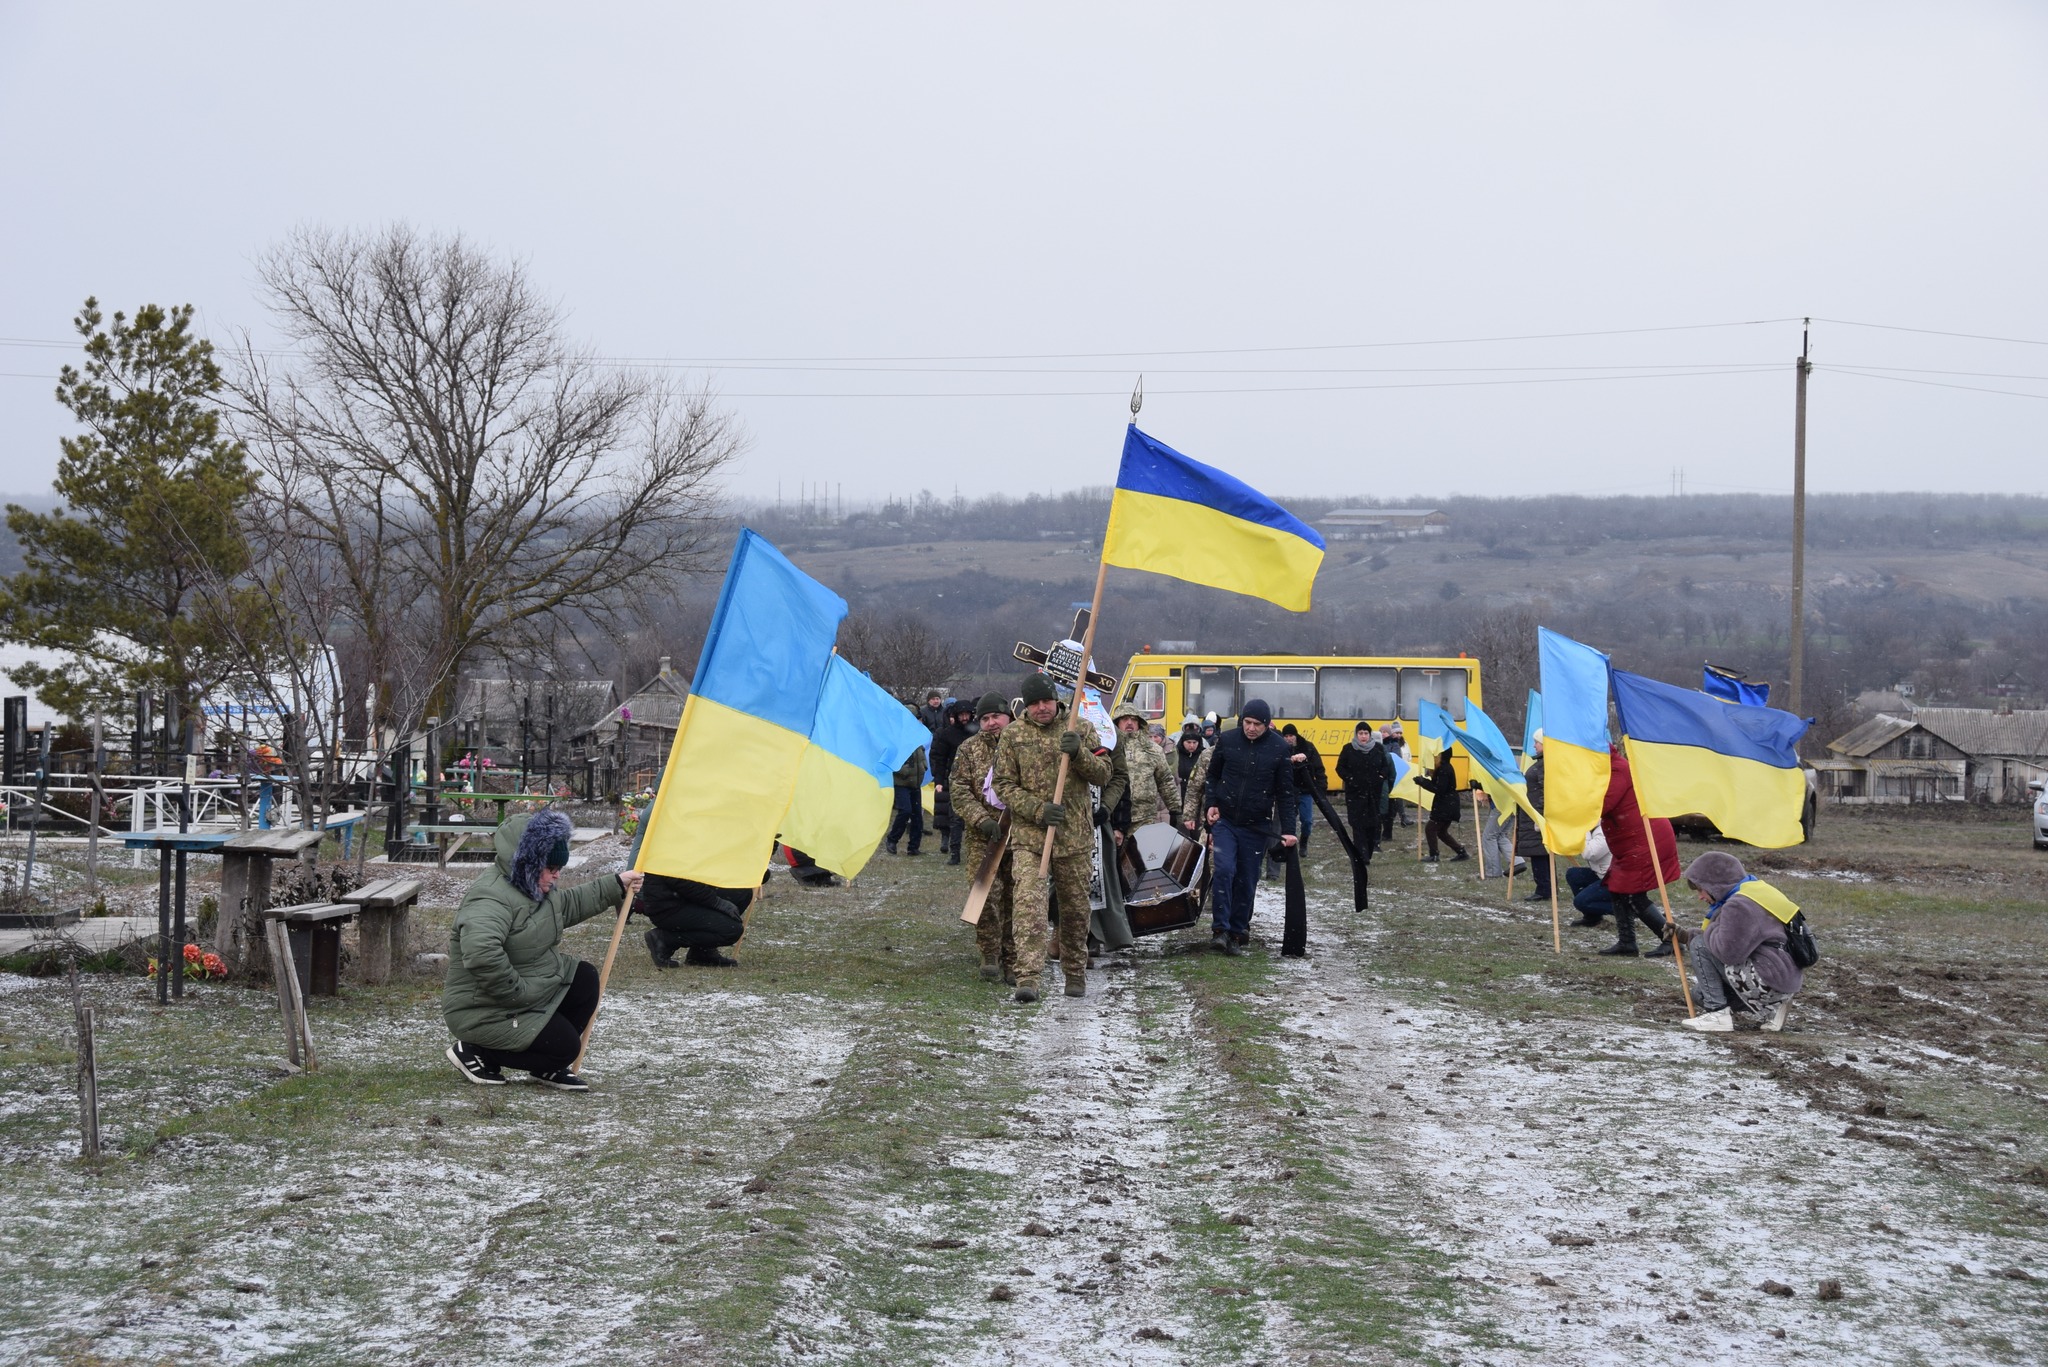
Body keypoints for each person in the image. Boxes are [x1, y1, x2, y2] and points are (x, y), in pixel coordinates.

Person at [443, 811, 642, 1091]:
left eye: (559, 867)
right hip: (484, 1008)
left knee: (583, 977)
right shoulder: (490, 896)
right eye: (551, 867)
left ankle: (544, 1065)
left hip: (524, 992)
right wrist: (518, 994)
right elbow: (481, 953)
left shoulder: (532, 886)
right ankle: (476, 1051)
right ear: (528, 862)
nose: (557, 874)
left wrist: (616, 884)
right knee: (564, 1047)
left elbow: (567, 905)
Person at [993, 673, 1112, 1001]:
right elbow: (1003, 783)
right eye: (1034, 703)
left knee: (1074, 909)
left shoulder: (1081, 728)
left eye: (1046, 701)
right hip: (1031, 839)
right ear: (1026, 705)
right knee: (1028, 906)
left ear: (1056, 700)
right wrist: (1037, 809)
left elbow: (1104, 774)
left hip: (1074, 838)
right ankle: (1028, 977)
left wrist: (1080, 754)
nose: (1041, 708)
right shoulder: (1013, 735)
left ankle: (1074, 971)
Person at [1199, 698, 1296, 956]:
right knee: (1224, 870)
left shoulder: (1278, 748)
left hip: (1257, 826)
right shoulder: (1228, 740)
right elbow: (1213, 776)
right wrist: (1212, 803)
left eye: (1257, 724)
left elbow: (1285, 793)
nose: (1251, 728)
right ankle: (1220, 929)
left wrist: (1289, 830)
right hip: (1226, 821)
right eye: (1247, 722)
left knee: (1247, 879)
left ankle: (1237, 931)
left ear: (1266, 725)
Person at [1672, 850, 1803, 1033]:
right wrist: (1686, 936)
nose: (1700, 896)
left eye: (1701, 889)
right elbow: (1732, 938)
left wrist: (1696, 937)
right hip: (1781, 977)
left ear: (1715, 884)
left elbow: (1728, 953)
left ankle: (1718, 1015)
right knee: (1699, 994)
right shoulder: (1754, 891)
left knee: (1699, 945)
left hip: (1769, 977)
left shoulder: (1738, 905)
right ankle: (1773, 1009)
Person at [949, 692, 1019, 982]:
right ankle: (989, 952)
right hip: (983, 836)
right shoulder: (969, 749)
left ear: (1008, 717)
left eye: (996, 717)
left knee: (1016, 897)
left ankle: (1013, 957)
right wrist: (982, 820)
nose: (991, 723)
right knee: (985, 895)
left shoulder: (1022, 744)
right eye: (985, 718)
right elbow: (959, 790)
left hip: (1019, 835)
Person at [1597, 748, 1677, 957]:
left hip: (1647, 838)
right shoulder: (1604, 768)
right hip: (1631, 841)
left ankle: (1671, 941)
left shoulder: (1618, 769)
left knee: (1634, 894)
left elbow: (1602, 805)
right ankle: (1627, 943)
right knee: (1617, 889)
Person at [1102, 702, 1180, 835]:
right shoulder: (1107, 747)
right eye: (1125, 719)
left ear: (1139, 723)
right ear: (1116, 722)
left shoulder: (1153, 750)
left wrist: (1175, 810)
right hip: (1113, 818)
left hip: (1144, 818)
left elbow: (1165, 781)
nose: (1129, 723)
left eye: (1134, 719)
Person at [1334, 721, 1394, 864]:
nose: (1363, 736)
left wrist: (1380, 777)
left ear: (1370, 735)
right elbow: (1340, 768)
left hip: (1373, 794)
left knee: (1372, 825)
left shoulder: (1378, 748)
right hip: (1355, 794)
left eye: (1366, 733)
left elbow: (1386, 766)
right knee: (1358, 825)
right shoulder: (1348, 749)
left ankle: (1368, 851)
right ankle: (1362, 856)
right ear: (1356, 734)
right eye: (1360, 733)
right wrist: (1351, 779)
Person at [928, 698, 977, 865]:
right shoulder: (947, 734)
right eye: (961, 715)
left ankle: (975, 851)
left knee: (975, 818)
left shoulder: (977, 732)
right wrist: (939, 781)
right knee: (955, 818)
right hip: (955, 779)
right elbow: (940, 758)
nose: (964, 718)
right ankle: (955, 852)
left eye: (966, 714)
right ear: (955, 716)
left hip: (976, 779)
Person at [1412, 748, 1469, 864]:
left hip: (1446, 804)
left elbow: (1439, 789)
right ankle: (1461, 852)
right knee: (1441, 832)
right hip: (1448, 803)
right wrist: (1424, 780)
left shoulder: (1444, 769)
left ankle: (1434, 855)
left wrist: (1423, 782)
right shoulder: (1444, 768)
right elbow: (1437, 786)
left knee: (1430, 828)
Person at [1514, 734, 1553, 901]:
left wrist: (1539, 814)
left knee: (1539, 853)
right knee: (1539, 853)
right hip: (1532, 815)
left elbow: (1547, 790)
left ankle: (1544, 889)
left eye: (1537, 742)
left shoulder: (1545, 764)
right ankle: (1547, 887)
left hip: (1536, 817)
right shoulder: (1541, 763)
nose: (1534, 746)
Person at [1279, 724, 1326, 854]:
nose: (1288, 738)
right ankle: (1291, 846)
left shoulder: (1308, 747)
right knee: (1290, 820)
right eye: (1286, 736)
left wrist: (1321, 787)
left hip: (1305, 790)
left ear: (1296, 736)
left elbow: (1318, 768)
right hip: (1289, 790)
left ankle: (1304, 841)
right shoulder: (1281, 749)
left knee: (1307, 821)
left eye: (1291, 735)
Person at [1566, 824, 1616, 924]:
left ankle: (1628, 909)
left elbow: (1589, 853)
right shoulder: (1593, 828)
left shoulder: (1605, 830)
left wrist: (1584, 831)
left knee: (1581, 902)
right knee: (1573, 874)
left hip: (1616, 880)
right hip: (1602, 875)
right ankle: (1592, 917)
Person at [886, 741, 926, 856]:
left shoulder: (917, 741)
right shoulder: (897, 741)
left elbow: (922, 756)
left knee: (917, 815)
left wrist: (924, 766)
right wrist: (904, 771)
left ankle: (914, 847)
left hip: (915, 783)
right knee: (905, 811)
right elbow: (890, 761)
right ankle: (892, 839)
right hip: (901, 783)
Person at [1380, 725, 1412, 838]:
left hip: (1392, 776)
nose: (1383, 733)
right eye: (1381, 731)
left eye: (1385, 732)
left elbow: (1396, 760)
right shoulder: (1378, 744)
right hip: (1382, 778)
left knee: (1392, 803)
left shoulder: (1395, 744)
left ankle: (1390, 829)